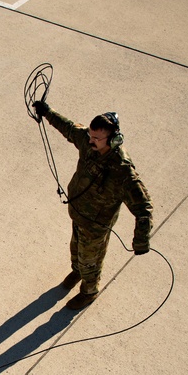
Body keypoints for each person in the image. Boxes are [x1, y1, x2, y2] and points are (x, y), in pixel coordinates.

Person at [33, 100, 153, 310]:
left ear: (114, 139)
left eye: (97, 138)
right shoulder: (89, 143)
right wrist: (47, 112)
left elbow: (143, 207)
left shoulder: (122, 170)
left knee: (91, 261)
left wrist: (141, 240)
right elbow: (70, 128)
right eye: (90, 135)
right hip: (79, 214)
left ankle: (89, 292)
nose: (91, 141)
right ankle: (77, 271)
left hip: (97, 225)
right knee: (76, 250)